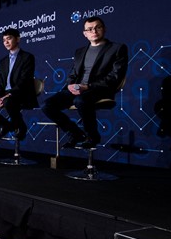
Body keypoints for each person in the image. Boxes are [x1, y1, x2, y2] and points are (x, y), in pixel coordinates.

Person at [42, 16, 128, 148]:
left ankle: (92, 136)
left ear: (104, 29)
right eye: (90, 29)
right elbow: (73, 73)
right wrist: (70, 85)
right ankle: (75, 133)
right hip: (78, 89)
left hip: (99, 89)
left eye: (98, 27)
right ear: (85, 34)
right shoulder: (80, 52)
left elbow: (115, 77)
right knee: (47, 105)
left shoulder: (117, 48)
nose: (94, 31)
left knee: (80, 100)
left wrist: (87, 86)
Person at [0, 28, 37, 140]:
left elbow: (24, 81)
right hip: (4, 94)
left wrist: (8, 95)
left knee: (8, 101)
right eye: (4, 40)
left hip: (21, 93)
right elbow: (0, 82)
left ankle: (20, 127)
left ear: (17, 39)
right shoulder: (3, 61)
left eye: (9, 39)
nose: (6, 42)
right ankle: (4, 125)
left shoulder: (27, 57)